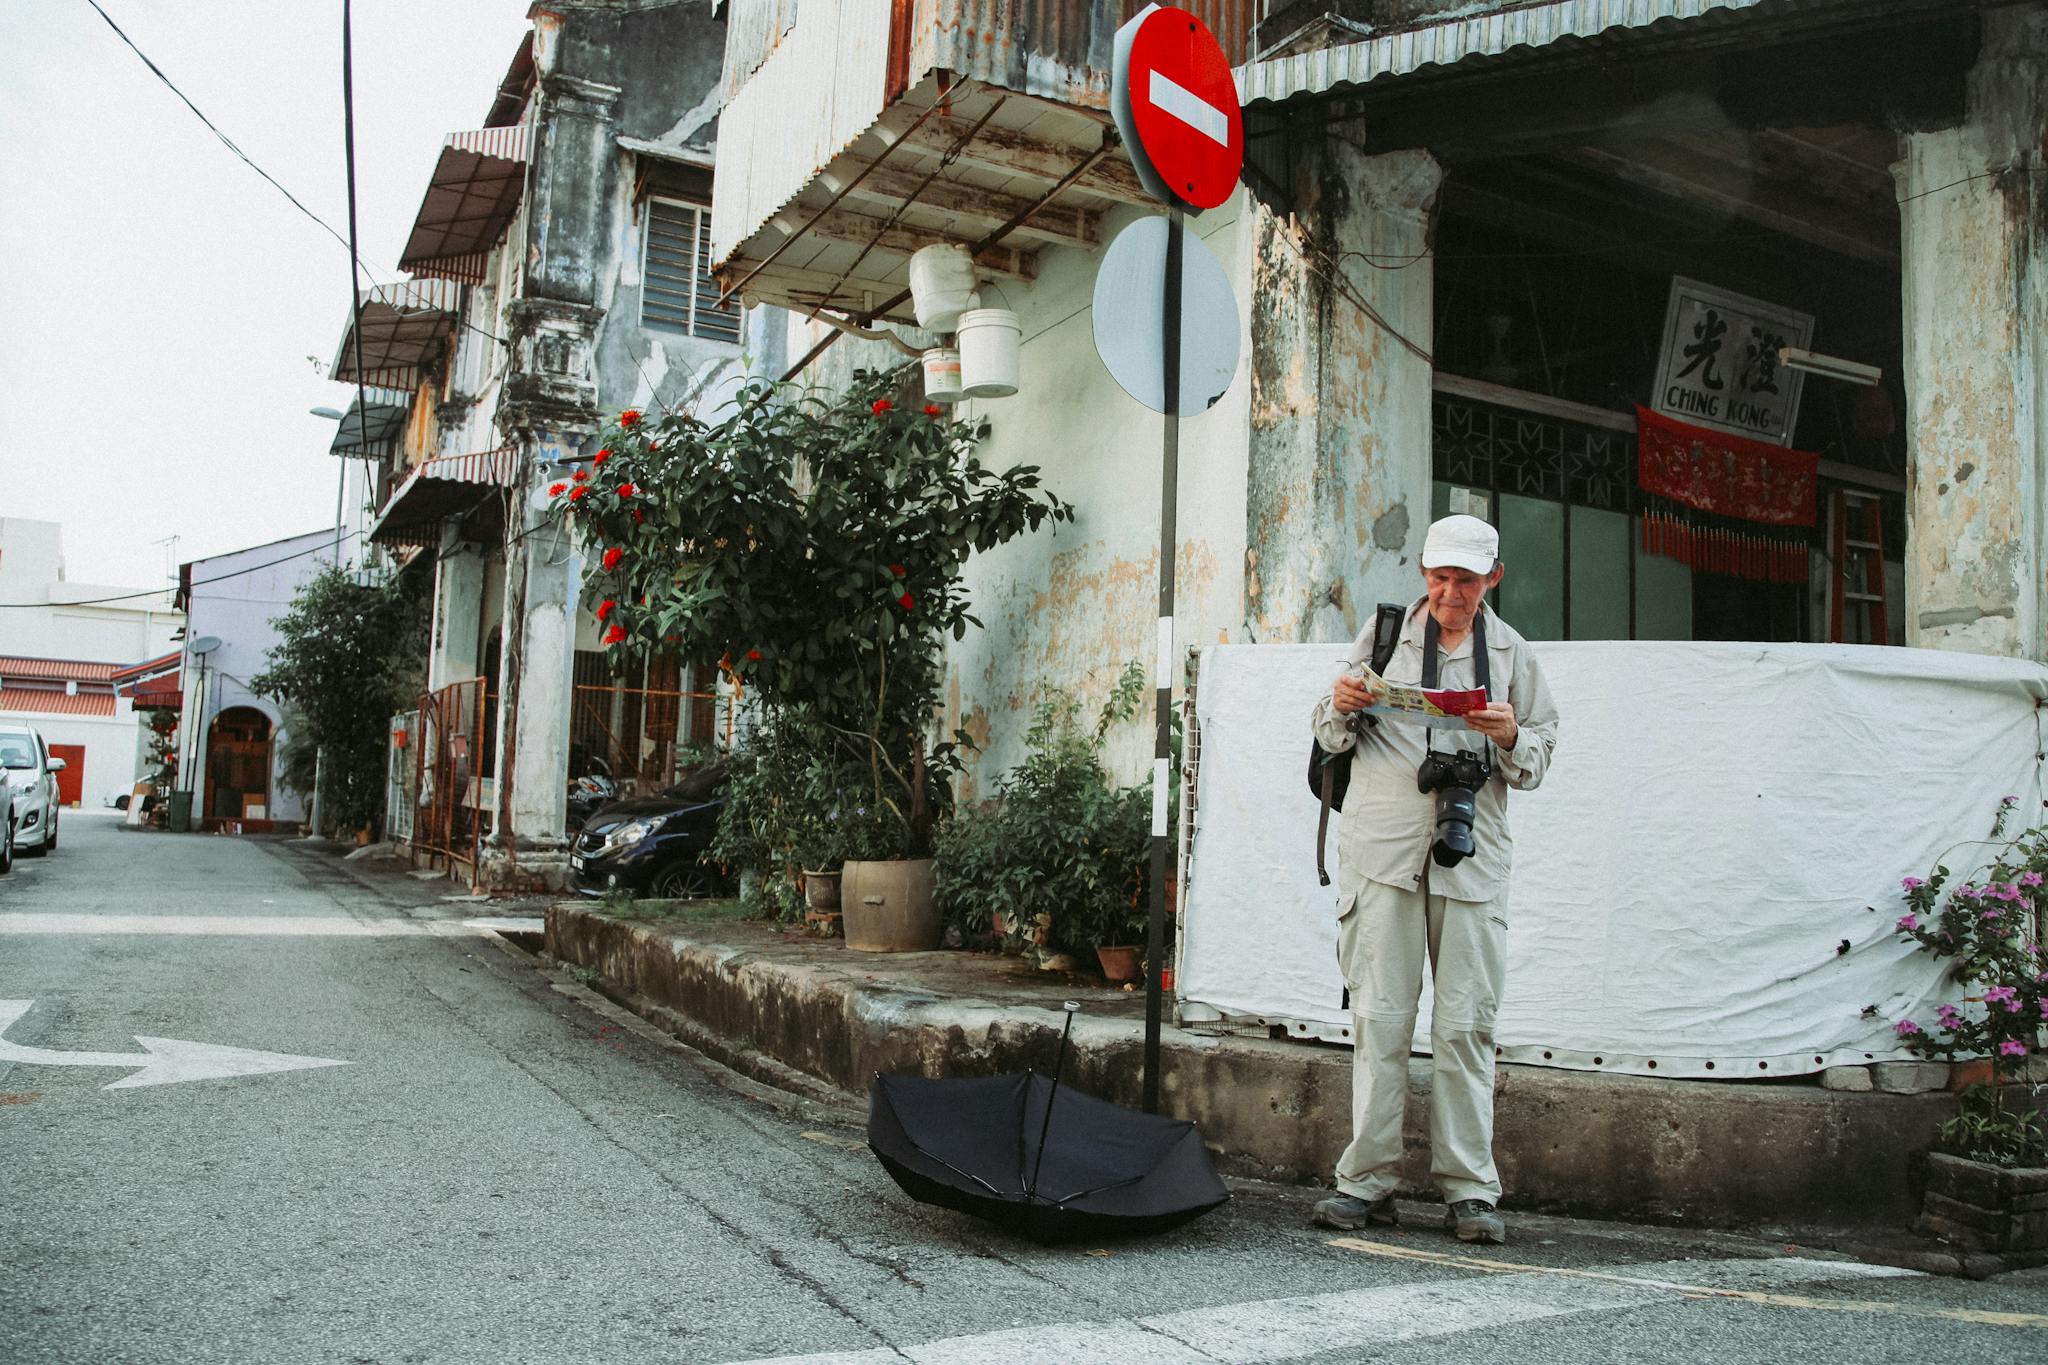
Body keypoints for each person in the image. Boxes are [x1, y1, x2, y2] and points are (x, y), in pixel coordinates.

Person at [1307, 513, 1559, 1245]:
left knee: (1465, 1027)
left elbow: (1541, 753)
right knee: (1379, 1019)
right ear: (1423, 573)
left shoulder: (1512, 654)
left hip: (1471, 859)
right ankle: (1366, 1181)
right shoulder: (1384, 638)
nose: (1451, 593)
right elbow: (1328, 730)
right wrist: (1342, 704)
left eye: (1467, 581)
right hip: (1383, 850)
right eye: (1440, 577)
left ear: (1493, 580)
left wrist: (1511, 735)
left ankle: (1470, 1189)